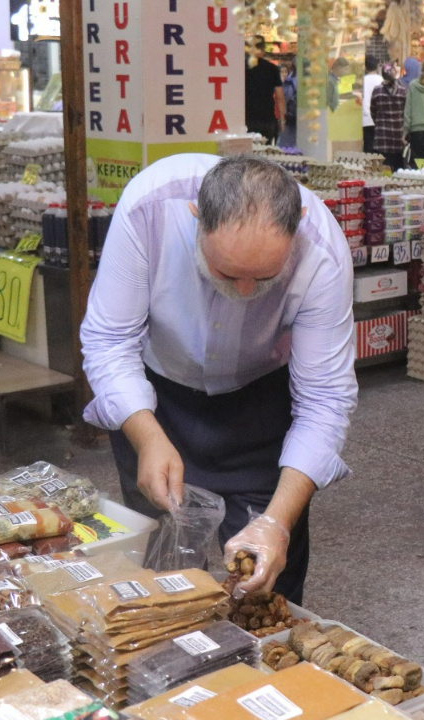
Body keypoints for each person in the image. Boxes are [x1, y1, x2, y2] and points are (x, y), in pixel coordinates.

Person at [81, 155, 358, 605]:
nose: (246, 292)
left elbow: (324, 400)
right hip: (156, 399)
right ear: (195, 218)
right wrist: (148, 437)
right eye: (228, 273)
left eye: (265, 278)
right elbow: (109, 340)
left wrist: (277, 522)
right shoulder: (150, 208)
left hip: (261, 405)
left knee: (262, 586)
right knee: (157, 577)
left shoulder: (322, 248)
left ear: (298, 225)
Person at [245, 36, 285, 143]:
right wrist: (282, 119)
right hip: (266, 119)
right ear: (263, 49)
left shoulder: (241, 67)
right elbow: (280, 97)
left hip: (245, 118)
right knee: (265, 153)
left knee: (246, 153)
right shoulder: (272, 69)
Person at [371, 63, 408, 172]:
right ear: (395, 73)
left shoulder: (377, 91)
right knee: (398, 172)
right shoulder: (403, 91)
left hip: (382, 138)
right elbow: (406, 113)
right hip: (398, 137)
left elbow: (373, 111)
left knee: (384, 171)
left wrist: (379, 123)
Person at [360, 55, 383, 153]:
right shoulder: (381, 81)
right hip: (380, 120)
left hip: (365, 120)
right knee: (379, 151)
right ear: (378, 66)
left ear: (365, 67)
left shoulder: (360, 81)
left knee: (368, 149)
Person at [280, 61, 298, 148]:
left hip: (289, 114)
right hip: (289, 114)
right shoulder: (291, 81)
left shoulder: (290, 81)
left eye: (285, 72)